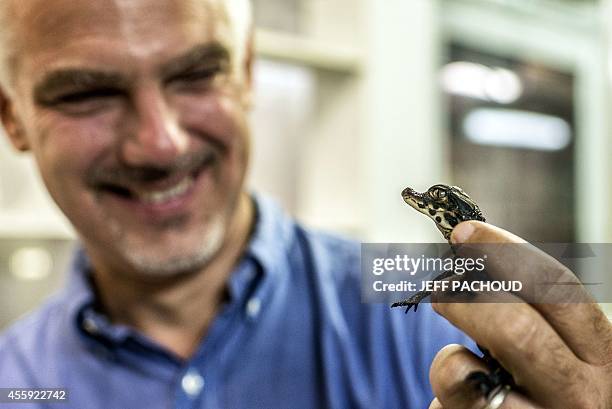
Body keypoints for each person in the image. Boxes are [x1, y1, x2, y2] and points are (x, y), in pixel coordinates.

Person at [0, 1, 609, 408]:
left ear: (246, 73)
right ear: (13, 117)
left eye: (197, 73)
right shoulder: (16, 383)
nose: (159, 144)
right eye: (88, 92)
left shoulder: (417, 309)